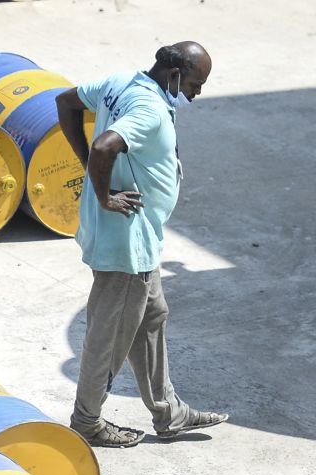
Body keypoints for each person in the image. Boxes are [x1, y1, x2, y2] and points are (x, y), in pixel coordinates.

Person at [55, 42, 227, 448]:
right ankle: (87, 421)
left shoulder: (119, 83)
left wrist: (91, 173)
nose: (196, 94)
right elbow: (104, 146)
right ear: (173, 75)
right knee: (110, 335)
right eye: (195, 85)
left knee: (152, 318)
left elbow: (65, 102)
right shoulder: (149, 110)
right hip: (125, 245)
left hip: (139, 237)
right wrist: (103, 194)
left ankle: (168, 412)